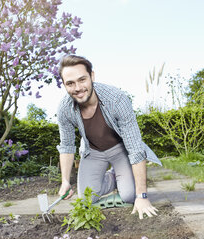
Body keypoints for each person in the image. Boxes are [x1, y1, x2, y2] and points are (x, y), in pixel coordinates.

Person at [56, 55, 162, 219]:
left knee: (129, 196)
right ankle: (114, 177)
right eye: (70, 83)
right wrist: (65, 181)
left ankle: (123, 175)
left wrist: (142, 197)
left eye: (82, 79)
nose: (77, 88)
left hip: (121, 150)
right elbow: (67, 147)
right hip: (93, 152)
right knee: (86, 198)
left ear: (92, 76)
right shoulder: (65, 109)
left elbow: (135, 148)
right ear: (64, 84)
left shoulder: (117, 99)